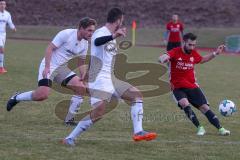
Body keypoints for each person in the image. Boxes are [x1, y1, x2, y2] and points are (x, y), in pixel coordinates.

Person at [62, 8, 157, 146]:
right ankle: (70, 138)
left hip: (110, 78)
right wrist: (114, 36)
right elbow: (97, 42)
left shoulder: (111, 35)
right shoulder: (101, 32)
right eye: (121, 21)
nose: (121, 24)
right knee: (99, 112)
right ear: (118, 20)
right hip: (99, 78)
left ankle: (138, 132)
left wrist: (114, 37)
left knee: (136, 95)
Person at [6, 17, 97, 125]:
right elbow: (49, 48)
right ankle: (17, 97)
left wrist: (83, 76)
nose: (91, 33)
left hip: (62, 70)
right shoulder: (66, 34)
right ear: (81, 28)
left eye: (93, 31)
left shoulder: (85, 43)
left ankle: (69, 119)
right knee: (42, 95)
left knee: (81, 88)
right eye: (89, 30)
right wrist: (47, 67)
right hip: (49, 65)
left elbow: (81, 61)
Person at [159, 33, 230, 136]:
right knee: (184, 104)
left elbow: (202, 60)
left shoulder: (193, 53)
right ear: (184, 43)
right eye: (190, 45)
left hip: (192, 86)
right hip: (178, 88)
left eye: (194, 45)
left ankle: (221, 129)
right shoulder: (175, 51)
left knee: (204, 108)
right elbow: (164, 56)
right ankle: (200, 128)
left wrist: (216, 53)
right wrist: (163, 58)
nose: (192, 47)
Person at [0, 0, 16, 74]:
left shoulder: (7, 14)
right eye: (1, 4)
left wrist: (13, 28)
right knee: (1, 48)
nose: (2, 5)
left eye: (4, 4)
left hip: (3, 34)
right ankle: (1, 67)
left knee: (1, 50)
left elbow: (10, 23)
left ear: (5, 5)